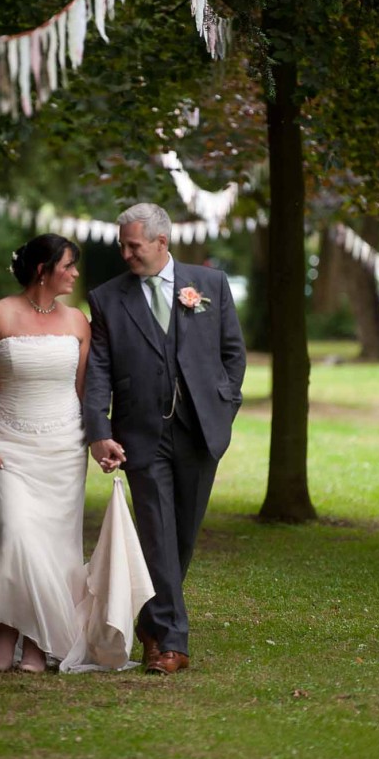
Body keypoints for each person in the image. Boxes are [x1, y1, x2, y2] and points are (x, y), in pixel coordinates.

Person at [0, 233, 153, 674]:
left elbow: (86, 391)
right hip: (7, 444)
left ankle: (34, 639)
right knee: (14, 530)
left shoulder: (78, 323)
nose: (75, 273)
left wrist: (99, 438)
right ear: (42, 269)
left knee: (55, 547)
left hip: (63, 447)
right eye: (69, 265)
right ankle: (8, 628)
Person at [84, 203, 246, 675]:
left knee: (182, 536)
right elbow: (97, 372)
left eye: (133, 245)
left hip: (200, 431)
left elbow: (232, 352)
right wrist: (99, 430)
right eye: (123, 245)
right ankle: (172, 640)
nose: (126, 253)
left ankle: (153, 623)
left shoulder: (210, 285)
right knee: (156, 532)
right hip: (140, 432)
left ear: (162, 242)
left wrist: (225, 403)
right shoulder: (107, 298)